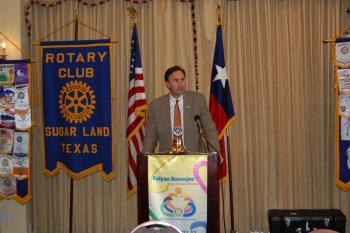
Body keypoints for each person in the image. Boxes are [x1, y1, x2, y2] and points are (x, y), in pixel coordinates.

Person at [142, 65, 219, 153]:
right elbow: (150, 137)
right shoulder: (156, 106)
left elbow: (209, 130)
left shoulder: (198, 100)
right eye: (176, 80)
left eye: (182, 79)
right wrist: (145, 159)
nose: (180, 84)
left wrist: (215, 153)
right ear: (167, 84)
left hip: (195, 158)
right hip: (167, 159)